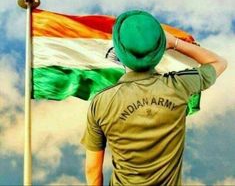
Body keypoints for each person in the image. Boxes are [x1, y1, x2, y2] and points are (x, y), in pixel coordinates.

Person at [81, 10, 227, 186]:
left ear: (118, 52)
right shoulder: (178, 86)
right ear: (159, 49)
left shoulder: (101, 102)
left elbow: (92, 170)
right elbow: (219, 63)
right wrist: (174, 42)